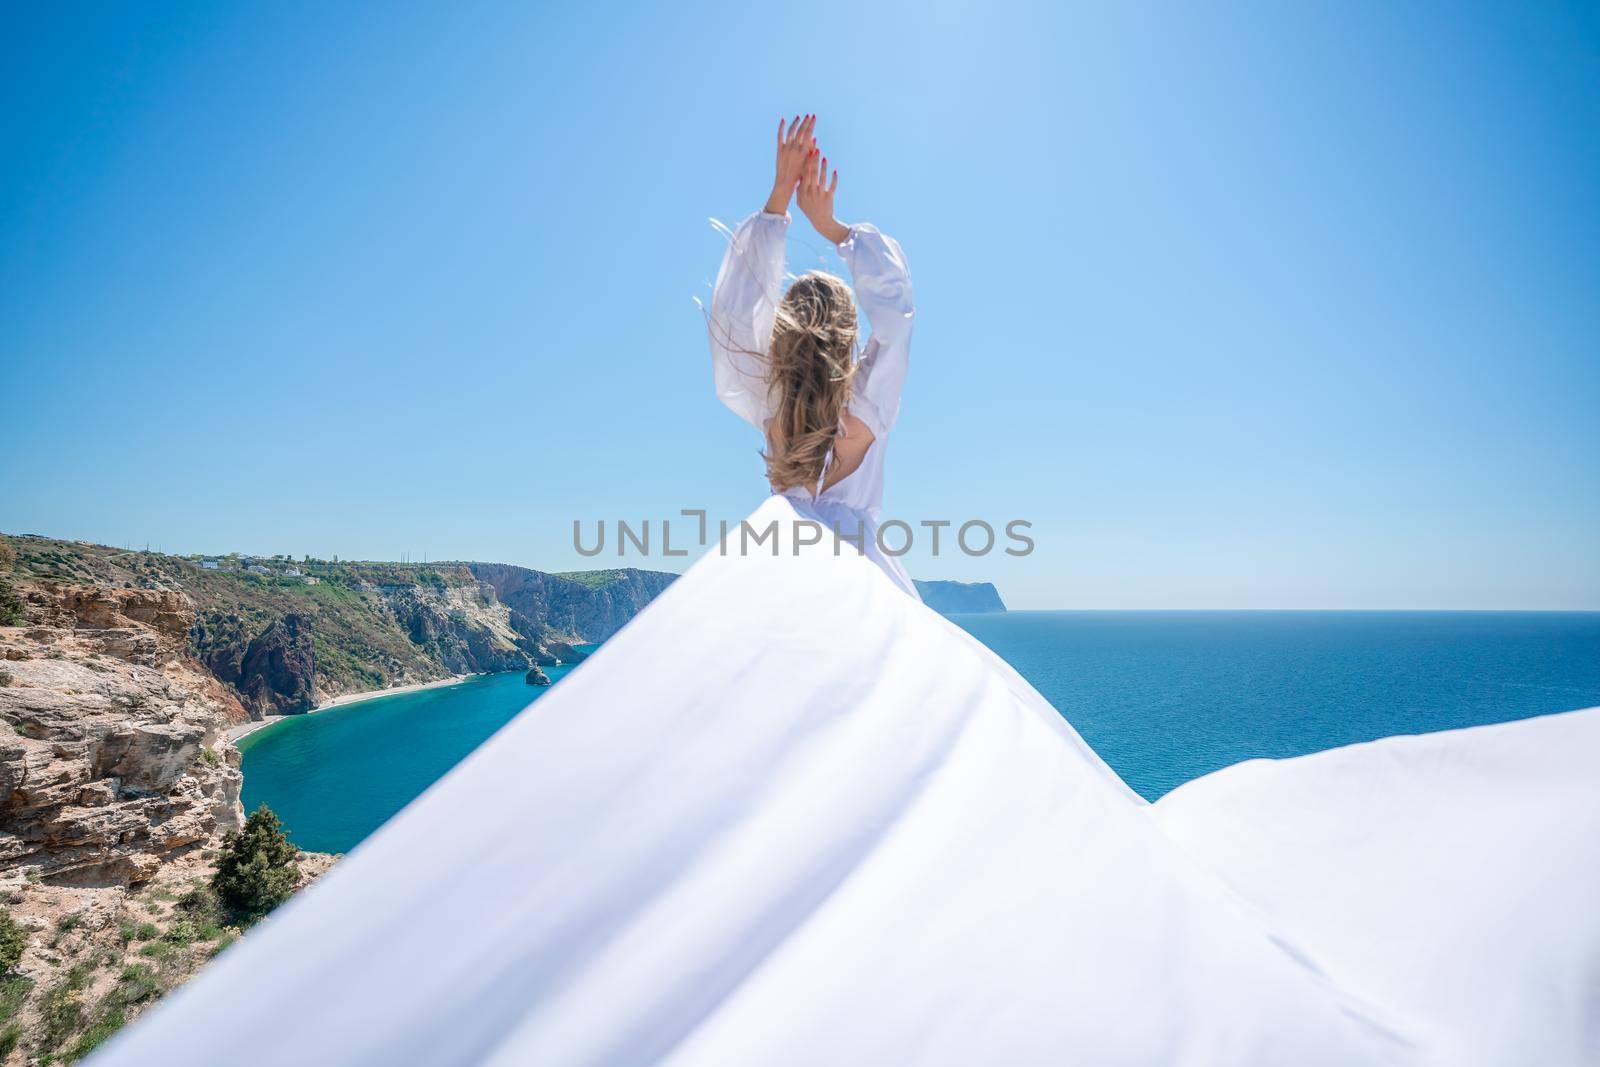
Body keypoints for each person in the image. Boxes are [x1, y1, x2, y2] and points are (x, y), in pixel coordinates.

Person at [91, 121, 1600, 1067]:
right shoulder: (872, 403)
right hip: (856, 591)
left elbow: (733, 328)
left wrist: (764, 211)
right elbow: (898, 293)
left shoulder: (759, 389)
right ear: (848, 348)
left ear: (776, 359)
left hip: (761, 579)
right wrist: (832, 219)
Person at [707, 114, 918, 596]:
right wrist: (834, 228)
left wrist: (778, 198)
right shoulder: (867, 410)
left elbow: (735, 316)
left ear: (780, 338)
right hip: (861, 578)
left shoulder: (772, 409)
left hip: (781, 564)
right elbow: (896, 316)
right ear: (848, 338)